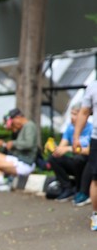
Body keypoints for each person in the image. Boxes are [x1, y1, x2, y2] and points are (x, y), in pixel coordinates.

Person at [0, 108, 37, 191]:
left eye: (12, 121)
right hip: (18, 159)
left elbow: (29, 144)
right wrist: (5, 144)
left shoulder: (29, 125)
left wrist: (13, 143)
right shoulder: (23, 127)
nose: (13, 124)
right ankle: (0, 181)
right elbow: (17, 145)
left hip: (25, 163)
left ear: (18, 117)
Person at [48, 103, 92, 202]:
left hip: (86, 163)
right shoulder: (70, 128)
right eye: (71, 114)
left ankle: (82, 190)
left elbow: (89, 151)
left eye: (75, 114)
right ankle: (67, 188)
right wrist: (55, 149)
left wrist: (69, 149)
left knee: (78, 159)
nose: (72, 117)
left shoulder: (91, 129)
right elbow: (62, 146)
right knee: (54, 158)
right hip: (75, 162)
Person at [73, 79, 97, 230]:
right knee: (96, 179)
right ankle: (96, 215)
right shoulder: (93, 86)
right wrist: (76, 137)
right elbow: (84, 112)